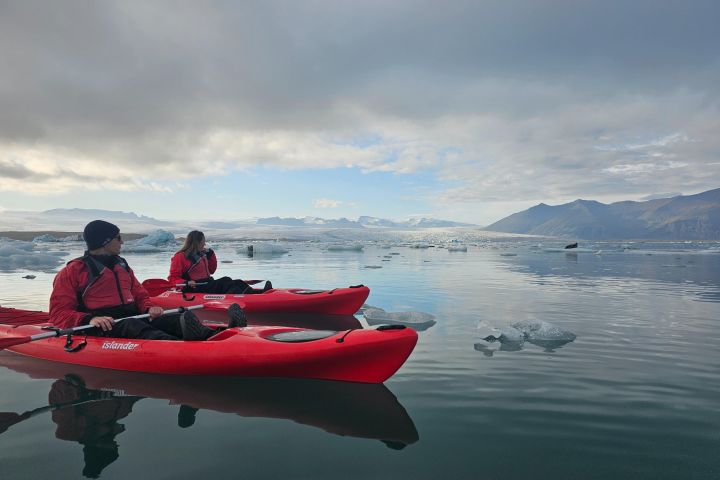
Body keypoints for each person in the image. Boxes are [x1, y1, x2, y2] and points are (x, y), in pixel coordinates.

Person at [50, 220, 245, 341]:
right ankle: (181, 347)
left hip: (132, 314)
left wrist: (147, 308)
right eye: (118, 238)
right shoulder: (74, 271)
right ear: (105, 241)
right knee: (133, 327)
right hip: (101, 323)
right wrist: (89, 319)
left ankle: (217, 336)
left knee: (169, 319)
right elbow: (58, 313)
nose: (122, 241)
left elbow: (140, 294)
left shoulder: (122, 265)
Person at [168, 230, 272, 294]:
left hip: (207, 283)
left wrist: (211, 255)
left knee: (238, 282)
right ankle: (245, 297)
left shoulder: (201, 254)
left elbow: (212, 270)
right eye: (202, 241)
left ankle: (257, 293)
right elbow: (172, 278)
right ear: (196, 242)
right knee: (225, 281)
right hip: (195, 287)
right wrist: (185, 283)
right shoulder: (180, 257)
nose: (204, 244)